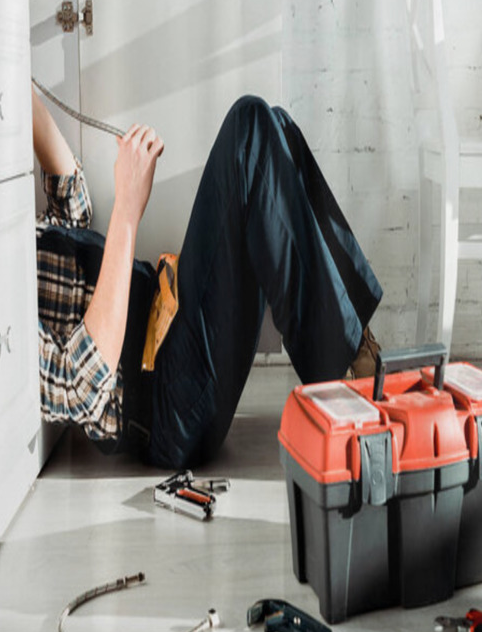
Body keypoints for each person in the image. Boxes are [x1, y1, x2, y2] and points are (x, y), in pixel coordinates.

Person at [33, 89, 382, 469]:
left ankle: (360, 352)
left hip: (170, 322)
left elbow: (73, 205)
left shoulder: (8, 243)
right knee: (248, 128)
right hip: (166, 404)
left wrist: (16, 81)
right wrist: (128, 208)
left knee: (274, 127)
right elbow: (80, 388)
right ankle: (343, 385)